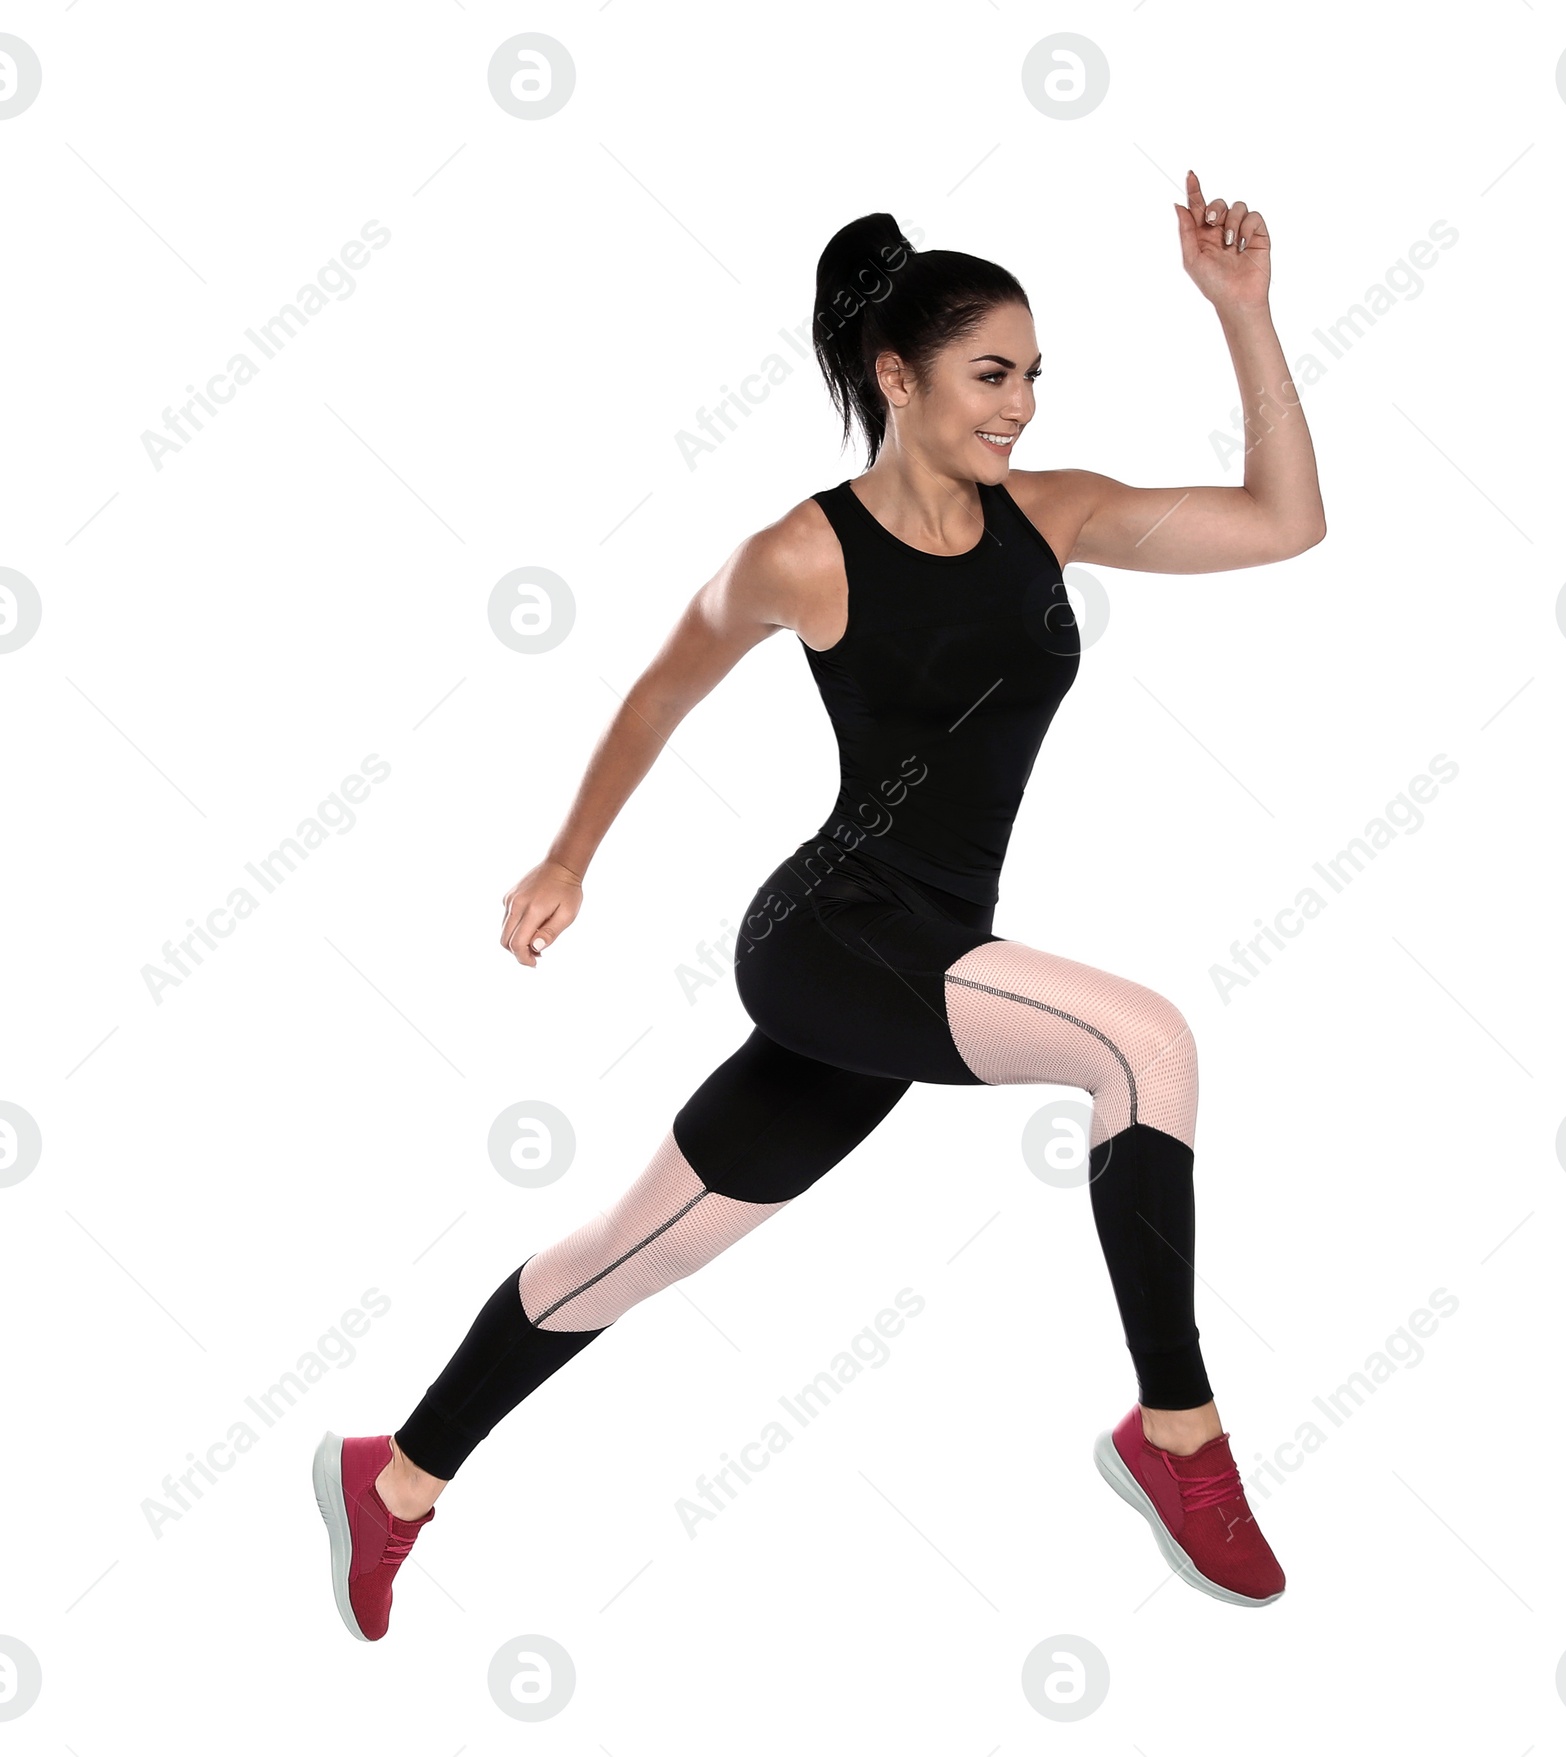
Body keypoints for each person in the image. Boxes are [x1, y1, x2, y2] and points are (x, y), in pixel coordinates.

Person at [313, 174, 1325, 1640]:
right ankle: (1179, 1439)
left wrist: (1245, 313)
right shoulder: (804, 551)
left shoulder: (1052, 516)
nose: (1022, 406)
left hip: (915, 962)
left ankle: (394, 1477)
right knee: (1142, 1045)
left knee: (633, 1251)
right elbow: (660, 688)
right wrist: (565, 857)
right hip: (834, 937)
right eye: (992, 375)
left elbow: (1285, 523)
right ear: (895, 377)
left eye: (1035, 376)